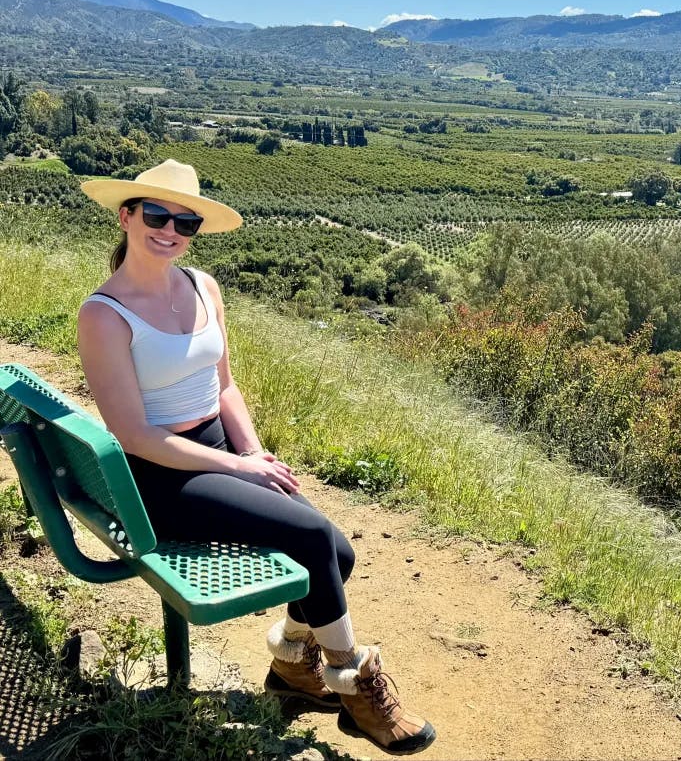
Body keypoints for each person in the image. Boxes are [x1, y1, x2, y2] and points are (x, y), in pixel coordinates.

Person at [76, 159, 435, 756]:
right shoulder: (105, 314)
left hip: (218, 452)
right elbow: (135, 435)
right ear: (126, 216)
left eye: (184, 221)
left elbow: (225, 389)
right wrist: (239, 469)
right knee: (317, 540)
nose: (170, 229)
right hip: (163, 479)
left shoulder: (202, 286)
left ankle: (294, 668)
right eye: (156, 215)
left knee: (335, 552)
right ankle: (354, 687)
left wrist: (252, 451)